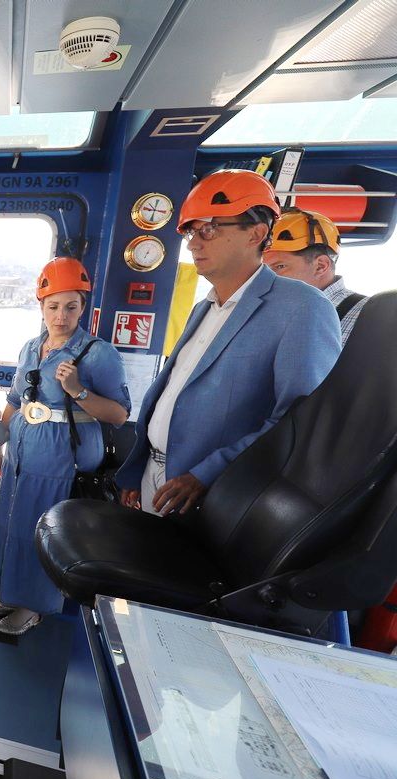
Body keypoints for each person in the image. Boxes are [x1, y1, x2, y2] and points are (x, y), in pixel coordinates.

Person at [118, 170, 341, 518]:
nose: (193, 243)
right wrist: (139, 468)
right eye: (191, 232)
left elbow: (299, 419)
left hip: (216, 494)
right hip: (156, 477)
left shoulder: (302, 306)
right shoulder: (203, 308)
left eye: (208, 229)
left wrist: (203, 476)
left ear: (256, 233)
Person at [0, 257, 130, 635]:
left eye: (71, 307)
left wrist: (77, 390)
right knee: (10, 522)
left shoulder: (98, 353)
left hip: (60, 460)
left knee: (41, 531)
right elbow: (15, 401)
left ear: (83, 307)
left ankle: (34, 607)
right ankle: (10, 592)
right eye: (53, 307)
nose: (61, 316)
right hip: (20, 455)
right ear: (41, 306)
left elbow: (118, 414)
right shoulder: (31, 347)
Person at [263, 208, 368, 344]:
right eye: (263, 269)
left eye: (280, 267)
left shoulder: (371, 316)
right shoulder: (271, 314)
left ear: (320, 266)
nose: (266, 278)